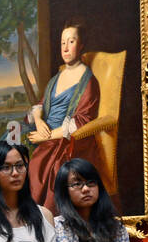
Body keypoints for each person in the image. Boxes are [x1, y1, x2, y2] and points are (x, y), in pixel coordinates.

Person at [25, 21, 107, 214]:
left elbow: (82, 121)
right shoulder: (56, 78)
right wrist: (38, 120)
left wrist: (47, 136)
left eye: (71, 41)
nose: (66, 47)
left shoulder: (88, 80)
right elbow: (39, 105)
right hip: (46, 138)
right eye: (63, 43)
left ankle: (48, 221)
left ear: (81, 45)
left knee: (48, 167)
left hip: (70, 142)